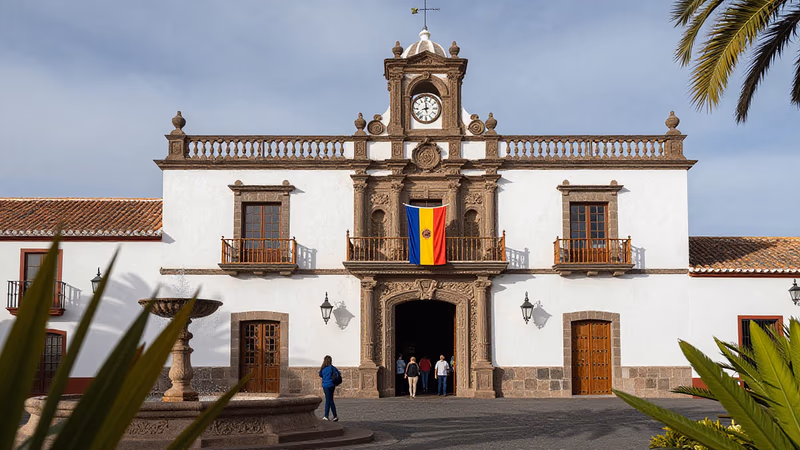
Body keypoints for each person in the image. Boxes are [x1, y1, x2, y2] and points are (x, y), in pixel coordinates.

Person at [318, 355, 339, 421]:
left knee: (328, 400)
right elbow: (338, 374)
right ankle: (335, 415)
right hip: (332, 385)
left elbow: (320, 374)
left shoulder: (323, 368)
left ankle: (326, 416)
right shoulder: (332, 368)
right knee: (330, 400)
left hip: (325, 385)